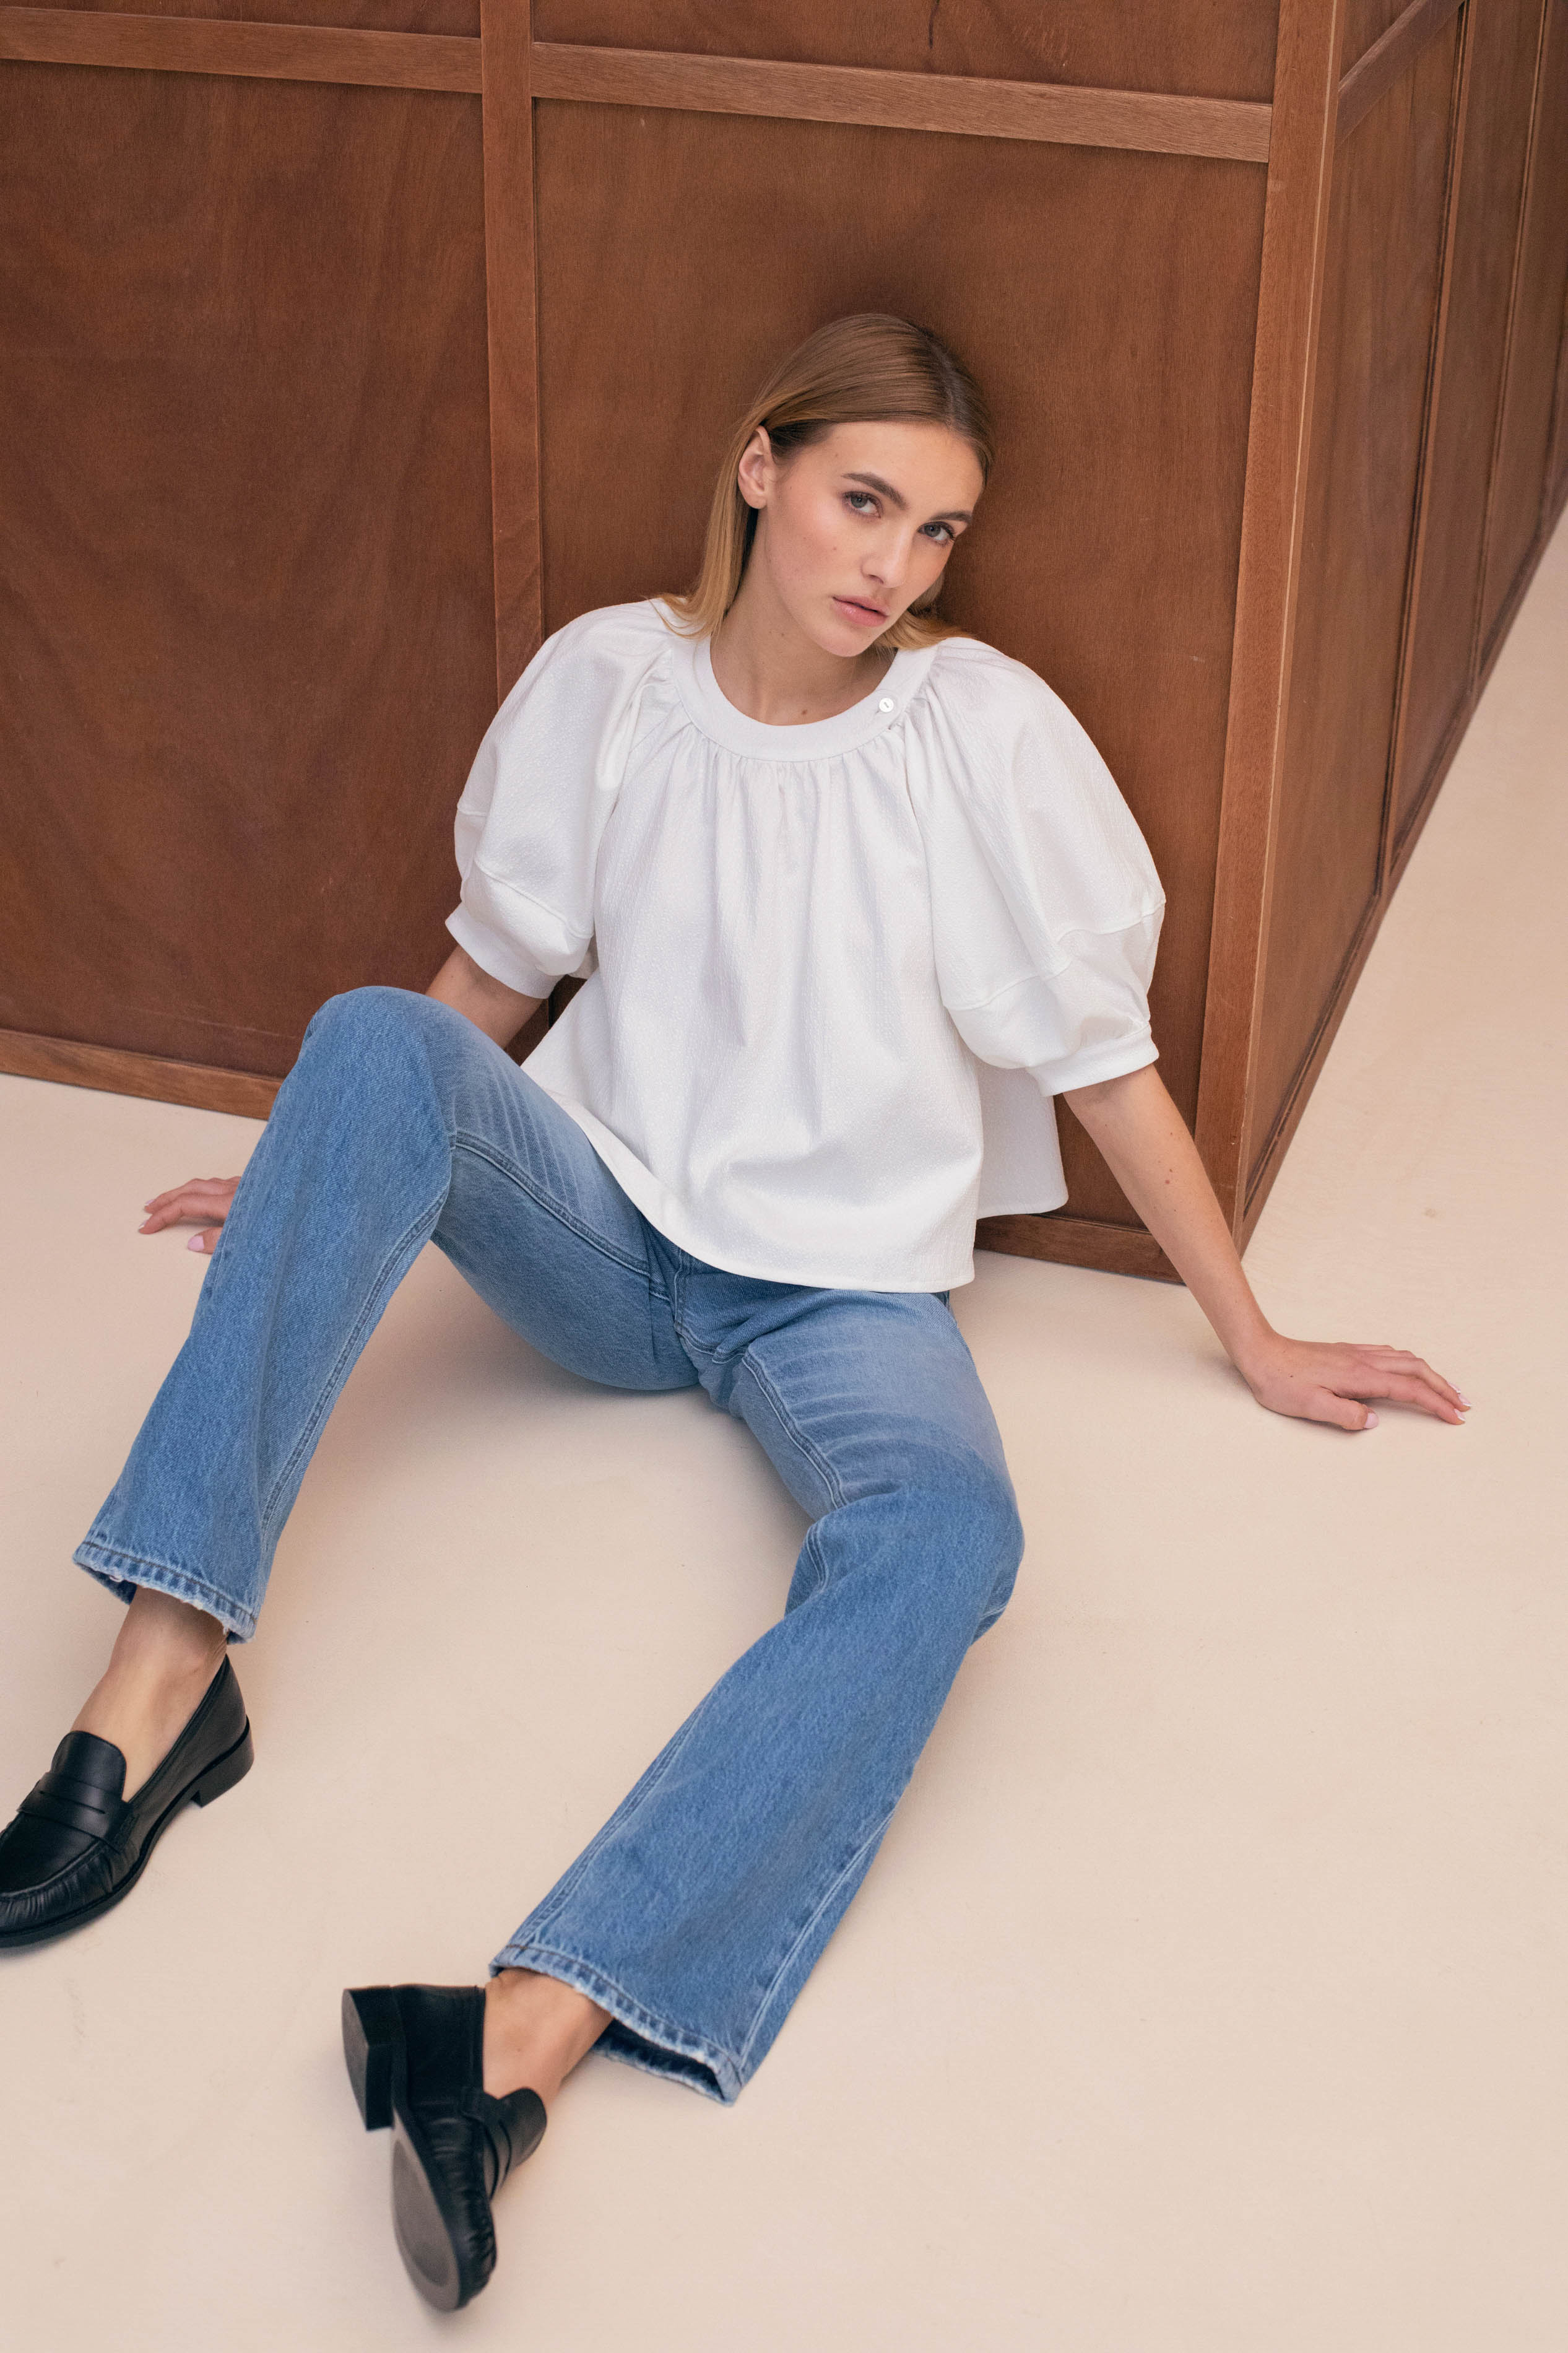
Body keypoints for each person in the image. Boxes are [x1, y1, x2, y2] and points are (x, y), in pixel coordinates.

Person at [0, 315, 1466, 2312]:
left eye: (936, 531)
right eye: (865, 502)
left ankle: (514, 2037)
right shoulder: (612, 683)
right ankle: (161, 1688)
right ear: (761, 469)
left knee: (945, 1537)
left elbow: (1103, 1061)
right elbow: (487, 981)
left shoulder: (976, 735)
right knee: (364, 1036)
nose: (895, 565)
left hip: (837, 1297)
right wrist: (313, 1165)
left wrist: (1255, 1333)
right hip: (605, 1240)